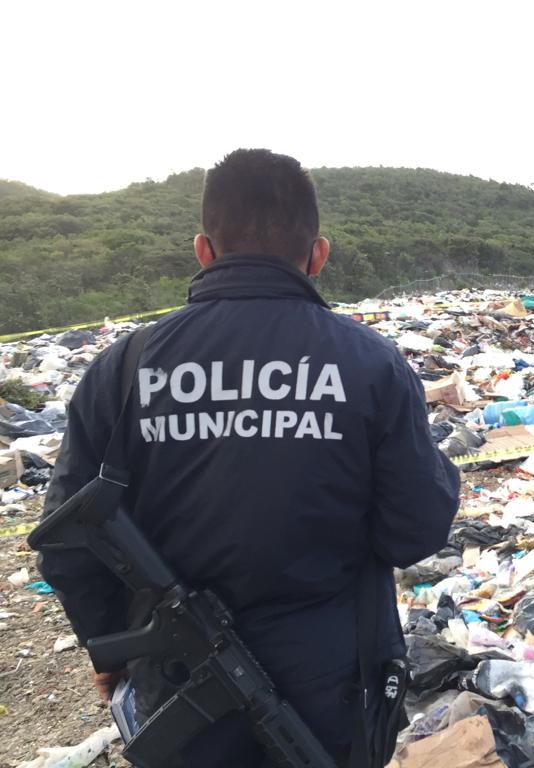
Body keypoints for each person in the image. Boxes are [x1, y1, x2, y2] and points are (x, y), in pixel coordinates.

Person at [38, 149, 461, 766]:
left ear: (203, 250)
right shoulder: (369, 364)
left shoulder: (122, 370)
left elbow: (64, 541)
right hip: (334, 689)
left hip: (176, 687)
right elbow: (415, 530)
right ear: (318, 254)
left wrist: (116, 647)